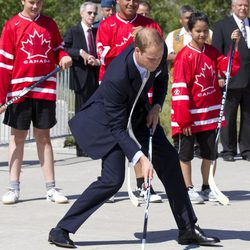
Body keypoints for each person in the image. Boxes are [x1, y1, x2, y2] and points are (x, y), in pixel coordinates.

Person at [48, 27, 220, 248]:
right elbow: (118, 128)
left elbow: (161, 78)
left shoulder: (158, 52)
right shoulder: (117, 75)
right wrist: (140, 158)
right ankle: (60, 229)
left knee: (169, 161)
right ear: (137, 51)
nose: (156, 63)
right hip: (108, 121)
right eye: (151, 59)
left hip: (140, 112)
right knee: (112, 180)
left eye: (159, 58)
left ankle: (187, 229)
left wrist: (157, 106)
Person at [0, 0, 72, 204]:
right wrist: (1, 97)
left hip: (45, 90)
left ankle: (51, 188)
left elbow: (58, 49)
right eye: (31, 1)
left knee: (43, 137)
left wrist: (64, 56)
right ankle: (13, 188)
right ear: (22, 1)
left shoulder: (50, 24)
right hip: (20, 91)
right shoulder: (11, 25)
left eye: (39, 2)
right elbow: (4, 64)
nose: (35, 6)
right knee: (18, 138)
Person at [96, 0, 162, 203]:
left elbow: (159, 52)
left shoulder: (150, 25)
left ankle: (145, 184)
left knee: (138, 137)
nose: (131, 3)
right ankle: (109, 183)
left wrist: (145, 37)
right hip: (114, 91)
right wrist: (134, 45)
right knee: (115, 136)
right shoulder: (107, 25)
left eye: (135, 0)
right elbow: (103, 57)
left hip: (141, 92)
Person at [171, 12, 241, 204]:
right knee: (185, 154)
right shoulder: (184, 56)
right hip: (189, 116)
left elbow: (228, 68)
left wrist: (234, 46)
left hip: (210, 114)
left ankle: (207, 186)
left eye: (204, 31)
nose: (201, 35)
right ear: (190, 30)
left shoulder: (211, 51)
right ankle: (188, 188)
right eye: (197, 31)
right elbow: (179, 88)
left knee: (210, 153)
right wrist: (183, 118)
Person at [165, 5, 212, 159]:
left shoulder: (207, 33)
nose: (190, 20)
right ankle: (182, 148)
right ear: (181, 20)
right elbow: (166, 55)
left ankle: (200, 145)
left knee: (201, 121)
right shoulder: (174, 35)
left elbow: (211, 54)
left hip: (202, 86)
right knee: (182, 114)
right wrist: (186, 56)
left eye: (192, 16)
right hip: (180, 83)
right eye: (187, 18)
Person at [212, 0, 250, 162]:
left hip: (249, 79)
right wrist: (220, 75)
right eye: (240, 5)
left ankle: (247, 149)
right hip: (230, 79)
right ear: (233, 7)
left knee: (248, 116)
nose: (243, 8)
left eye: (246, 5)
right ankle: (228, 150)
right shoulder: (222, 25)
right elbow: (216, 52)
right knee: (229, 115)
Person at [64, 1, 100, 157]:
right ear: (82, 13)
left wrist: (97, 61)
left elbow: (102, 51)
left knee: (94, 113)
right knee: (81, 114)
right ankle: (80, 147)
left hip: (95, 77)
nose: (92, 16)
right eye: (89, 13)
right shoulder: (74, 31)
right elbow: (64, 48)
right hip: (80, 78)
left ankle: (91, 145)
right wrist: (80, 52)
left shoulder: (97, 32)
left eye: (94, 13)